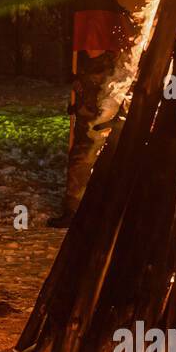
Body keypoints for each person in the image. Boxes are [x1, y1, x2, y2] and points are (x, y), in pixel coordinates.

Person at [48, 50, 112, 228]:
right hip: (87, 124)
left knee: (82, 163)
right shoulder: (91, 63)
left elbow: (99, 95)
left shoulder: (105, 67)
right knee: (80, 164)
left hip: (95, 127)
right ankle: (75, 209)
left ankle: (75, 210)